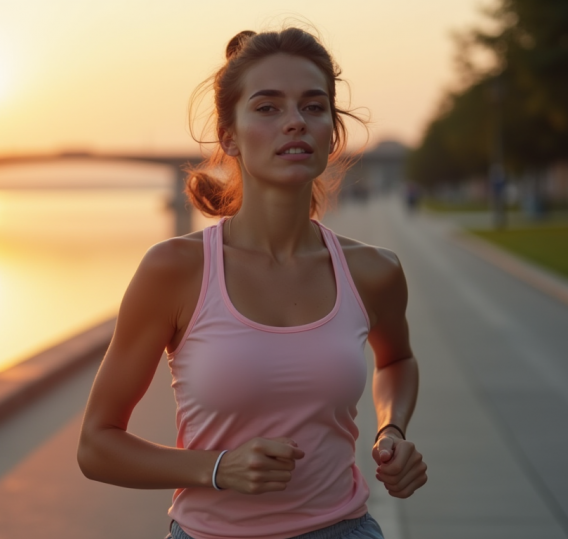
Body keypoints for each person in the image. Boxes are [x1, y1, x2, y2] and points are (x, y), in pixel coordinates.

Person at [76, 28, 427, 539]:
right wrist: (216, 468)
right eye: (267, 108)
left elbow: (397, 360)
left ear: (333, 133)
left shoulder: (373, 271)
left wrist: (391, 429)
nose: (294, 123)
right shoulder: (174, 270)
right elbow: (97, 446)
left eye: (313, 107)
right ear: (229, 135)